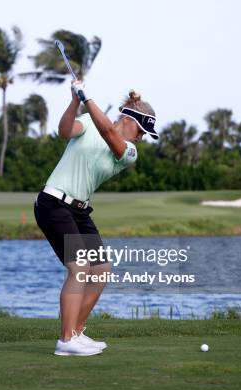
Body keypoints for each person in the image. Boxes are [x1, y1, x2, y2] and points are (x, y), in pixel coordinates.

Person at [34, 80, 158, 356]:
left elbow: (108, 133)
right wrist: (75, 101)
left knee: (100, 270)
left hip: (79, 210)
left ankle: (76, 332)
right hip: (53, 202)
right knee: (79, 268)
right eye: (141, 130)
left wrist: (87, 97)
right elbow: (65, 131)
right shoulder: (89, 121)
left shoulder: (129, 152)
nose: (141, 137)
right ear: (129, 119)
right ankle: (66, 341)